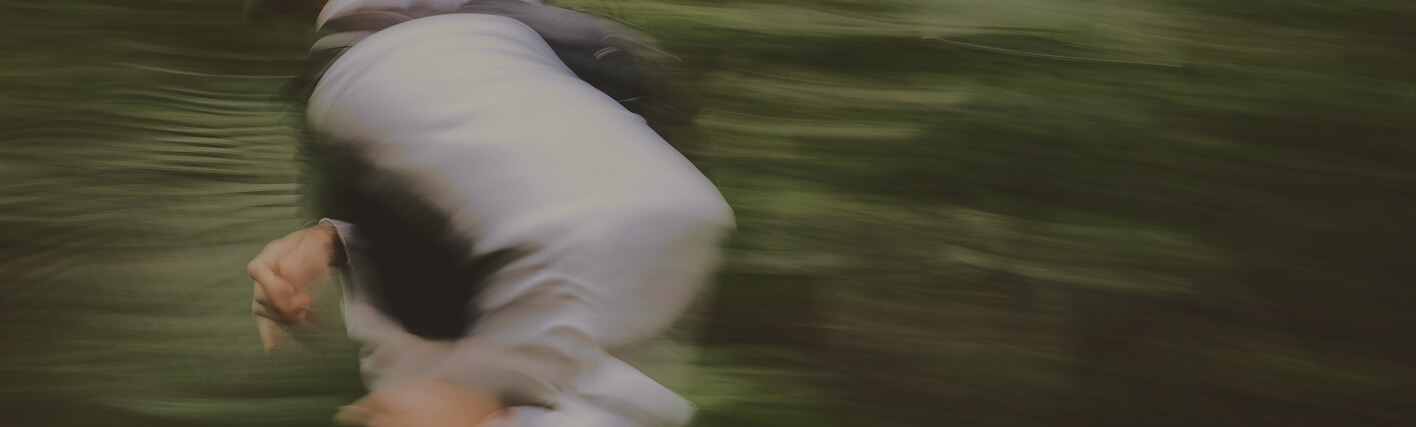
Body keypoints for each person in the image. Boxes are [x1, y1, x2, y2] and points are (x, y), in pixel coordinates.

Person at [243, 0, 734, 425]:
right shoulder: (415, 57)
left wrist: (461, 395)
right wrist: (340, 240)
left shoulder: (382, 61)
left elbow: (622, 215)